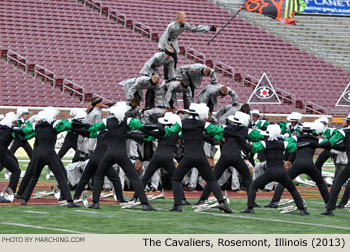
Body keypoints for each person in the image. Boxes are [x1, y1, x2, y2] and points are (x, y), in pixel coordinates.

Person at [146, 103, 232, 213]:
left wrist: (155, 130)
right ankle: (222, 202)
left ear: (189, 113)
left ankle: (177, 205)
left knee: (176, 179)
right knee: (211, 180)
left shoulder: (182, 123)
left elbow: (170, 131)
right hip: (201, 156)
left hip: (188, 157)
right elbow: (217, 131)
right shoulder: (203, 124)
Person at [86, 102, 155, 210]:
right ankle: (145, 203)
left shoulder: (106, 121)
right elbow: (142, 127)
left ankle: (95, 203)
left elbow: (92, 130)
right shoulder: (128, 121)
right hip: (122, 154)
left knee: (99, 176)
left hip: (109, 153)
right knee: (134, 178)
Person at [236, 124, 309, 215]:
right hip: (282, 172)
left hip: (270, 172)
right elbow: (295, 146)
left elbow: (252, 148)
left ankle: (250, 207)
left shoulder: (265, 143)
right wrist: (307, 143)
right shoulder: (283, 143)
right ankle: (302, 209)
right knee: (293, 190)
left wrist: (240, 141)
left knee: (253, 186)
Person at [196, 111, 264, 205]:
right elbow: (259, 136)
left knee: (213, 178)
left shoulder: (226, 128)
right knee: (247, 178)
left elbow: (216, 136)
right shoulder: (246, 130)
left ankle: (202, 200)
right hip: (236, 156)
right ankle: (252, 201)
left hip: (225, 156)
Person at [20, 107, 80, 208]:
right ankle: (69, 201)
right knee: (61, 177)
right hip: (50, 154)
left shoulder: (36, 126)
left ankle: (25, 199)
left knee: (34, 177)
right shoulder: (54, 126)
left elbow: (26, 133)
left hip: (39, 154)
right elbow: (67, 126)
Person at [265, 122, 329, 208]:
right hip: (310, 164)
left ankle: (274, 202)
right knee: (321, 183)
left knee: (283, 182)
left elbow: (285, 143)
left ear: (302, 130)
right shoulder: (316, 139)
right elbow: (329, 143)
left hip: (297, 164)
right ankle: (329, 203)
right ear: (312, 131)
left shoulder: (296, 138)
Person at [131, 112, 189, 204]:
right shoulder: (176, 132)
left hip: (157, 156)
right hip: (168, 157)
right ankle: (182, 199)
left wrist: (133, 133)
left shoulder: (160, 130)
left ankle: (135, 197)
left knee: (145, 177)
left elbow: (147, 137)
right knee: (176, 179)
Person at [318, 113, 350, 216]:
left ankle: (330, 208)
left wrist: (316, 144)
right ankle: (340, 204)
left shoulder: (344, 132)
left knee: (338, 182)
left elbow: (331, 142)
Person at [0, 112, 21, 195]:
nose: (15, 124)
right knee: (16, 171)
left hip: (3, 149)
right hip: (1, 151)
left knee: (15, 161)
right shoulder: (9, 129)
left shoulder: (3, 127)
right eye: (14, 122)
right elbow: (21, 132)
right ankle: (10, 191)